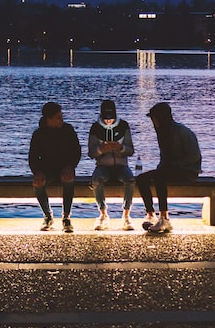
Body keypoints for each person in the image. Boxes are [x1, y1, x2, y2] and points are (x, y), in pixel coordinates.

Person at [137, 102, 201, 233]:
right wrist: (163, 168)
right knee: (141, 179)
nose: (152, 121)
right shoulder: (162, 132)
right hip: (170, 169)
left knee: (160, 177)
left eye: (154, 118)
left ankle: (164, 218)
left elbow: (194, 156)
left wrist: (174, 165)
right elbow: (165, 157)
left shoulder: (182, 132)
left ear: (162, 118)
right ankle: (151, 214)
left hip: (188, 170)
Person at [29, 101, 81, 233]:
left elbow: (76, 151)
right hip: (47, 169)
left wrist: (70, 166)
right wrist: (38, 172)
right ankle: (48, 216)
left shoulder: (68, 130)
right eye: (58, 117)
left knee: (68, 179)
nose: (61, 119)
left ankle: (66, 217)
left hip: (65, 167)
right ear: (49, 119)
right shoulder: (39, 134)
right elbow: (33, 157)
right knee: (37, 183)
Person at [88, 100, 136, 230]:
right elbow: (91, 153)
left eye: (111, 118)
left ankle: (126, 215)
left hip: (121, 166)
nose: (108, 121)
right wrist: (101, 150)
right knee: (96, 180)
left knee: (130, 179)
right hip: (103, 166)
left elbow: (131, 150)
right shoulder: (95, 128)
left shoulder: (123, 126)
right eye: (106, 118)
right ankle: (103, 214)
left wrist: (121, 148)